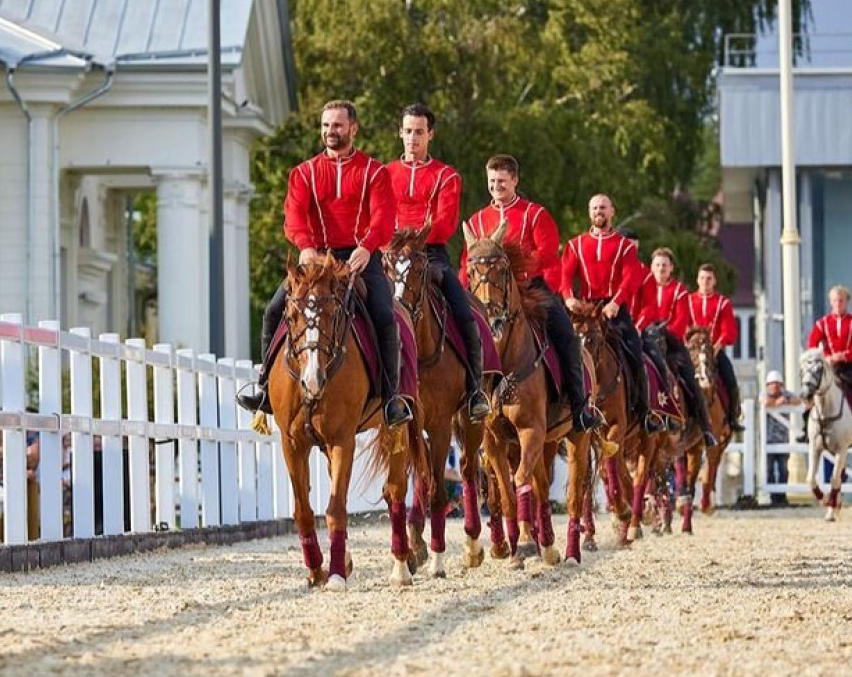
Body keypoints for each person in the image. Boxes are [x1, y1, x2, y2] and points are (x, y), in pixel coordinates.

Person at [238, 100, 411, 427]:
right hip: (316, 258)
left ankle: (390, 399)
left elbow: (384, 217)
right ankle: (264, 389)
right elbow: (293, 216)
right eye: (326, 126)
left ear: (353, 128)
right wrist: (305, 248)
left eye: (338, 125)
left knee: (385, 316)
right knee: (274, 309)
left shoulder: (374, 172)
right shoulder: (303, 173)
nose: (331, 131)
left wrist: (367, 247)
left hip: (359, 258)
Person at [459, 155, 600, 431]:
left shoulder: (535, 214)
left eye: (501, 181)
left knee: (567, 337)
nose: (496, 186)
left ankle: (579, 406)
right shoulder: (476, 221)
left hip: (531, 288)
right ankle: (467, 402)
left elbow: (547, 253)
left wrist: (515, 271)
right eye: (491, 181)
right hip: (488, 295)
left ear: (514, 180)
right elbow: (467, 262)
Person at [386, 103, 489, 422]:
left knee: (465, 311)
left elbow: (444, 222)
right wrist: (391, 241)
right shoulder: (384, 174)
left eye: (419, 132)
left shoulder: (446, 176)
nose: (412, 138)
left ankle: (474, 390)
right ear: (400, 134)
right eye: (407, 132)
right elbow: (375, 216)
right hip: (389, 255)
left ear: (430, 134)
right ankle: (377, 390)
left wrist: (413, 237)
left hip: (430, 255)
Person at [560, 194, 655, 431]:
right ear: (589, 212)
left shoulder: (624, 246)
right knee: (561, 347)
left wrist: (616, 302)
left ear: (612, 212)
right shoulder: (575, 244)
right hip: (584, 308)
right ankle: (562, 407)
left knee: (634, 349)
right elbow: (564, 277)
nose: (598, 212)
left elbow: (631, 278)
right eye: (594, 208)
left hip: (614, 308)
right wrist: (568, 298)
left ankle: (642, 411)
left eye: (603, 207)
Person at [634, 248, 717, 445]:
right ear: (651, 267)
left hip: (670, 340)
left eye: (664, 265)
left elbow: (681, 320)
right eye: (657, 265)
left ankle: (705, 427)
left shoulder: (679, 290)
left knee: (689, 378)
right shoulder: (642, 285)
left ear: (671, 268)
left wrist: (663, 330)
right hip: (645, 335)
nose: (661, 268)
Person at [808, 284, 852, 445]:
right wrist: (826, 357)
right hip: (829, 368)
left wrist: (844, 355)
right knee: (812, 392)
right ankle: (806, 430)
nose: (838, 304)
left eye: (841, 301)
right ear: (830, 302)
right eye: (835, 300)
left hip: (848, 367)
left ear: (847, 302)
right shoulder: (822, 323)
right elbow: (812, 344)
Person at [687, 264, 745, 432]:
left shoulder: (723, 303)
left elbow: (729, 329)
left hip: (714, 350)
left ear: (714, 281)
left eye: (709, 279)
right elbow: (684, 324)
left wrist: (717, 346)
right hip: (692, 351)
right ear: (697, 280)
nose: (705, 282)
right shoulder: (689, 301)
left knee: (729, 377)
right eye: (703, 278)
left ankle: (732, 416)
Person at [763, 370, 801, 505]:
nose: (775, 387)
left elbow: (798, 400)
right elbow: (763, 403)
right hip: (767, 440)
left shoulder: (786, 395)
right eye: (772, 384)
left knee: (784, 469)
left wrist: (787, 401)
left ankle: (782, 496)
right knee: (769, 470)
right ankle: (774, 497)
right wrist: (776, 403)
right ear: (767, 385)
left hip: (783, 440)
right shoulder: (765, 395)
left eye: (778, 384)